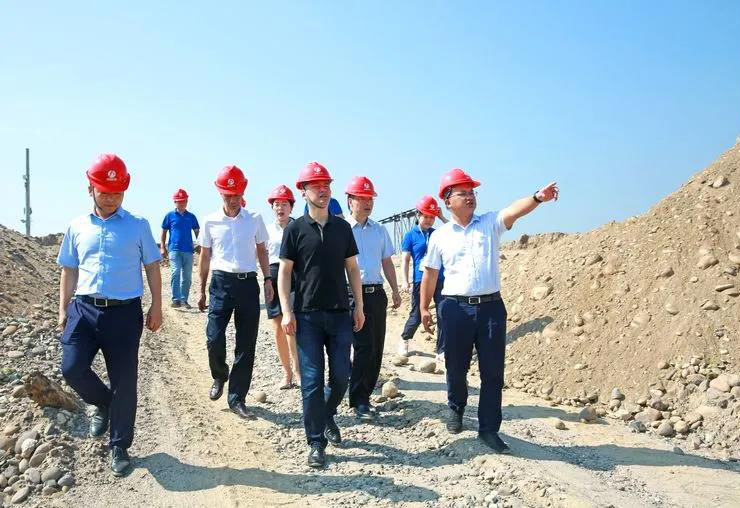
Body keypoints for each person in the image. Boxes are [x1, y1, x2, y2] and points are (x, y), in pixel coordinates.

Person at [420, 168, 559, 453]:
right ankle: (456, 406)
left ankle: (488, 429)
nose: (470, 197)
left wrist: (537, 197)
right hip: (455, 309)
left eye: (472, 192)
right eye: (463, 193)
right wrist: (424, 307)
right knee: (455, 366)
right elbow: (431, 273)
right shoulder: (440, 236)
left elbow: (515, 210)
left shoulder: (489, 223)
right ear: (447, 200)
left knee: (493, 372)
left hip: (491, 308)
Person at [57, 153, 162, 476]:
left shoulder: (138, 226)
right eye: (105, 192)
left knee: (124, 381)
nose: (111, 198)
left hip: (124, 314)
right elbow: (69, 269)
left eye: (117, 192)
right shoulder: (77, 226)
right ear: (90, 188)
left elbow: (152, 266)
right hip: (84, 309)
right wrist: (63, 308)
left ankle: (119, 446)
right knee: (71, 367)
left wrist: (157, 305)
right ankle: (102, 401)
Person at [278, 162, 365, 468]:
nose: (322, 190)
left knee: (341, 376)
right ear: (303, 192)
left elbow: (352, 268)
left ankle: (326, 414)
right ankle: (315, 442)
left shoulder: (343, 228)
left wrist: (359, 306)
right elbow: (284, 272)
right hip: (307, 317)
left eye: (326, 185)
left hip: (340, 314)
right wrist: (286, 311)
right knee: (312, 382)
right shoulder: (294, 230)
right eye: (315, 186)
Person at [198, 165, 274, 420]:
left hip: (247, 284)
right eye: (228, 195)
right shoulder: (209, 221)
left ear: (243, 192)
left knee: (246, 343)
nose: (232, 200)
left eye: (237, 195)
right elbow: (204, 257)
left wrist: (268, 279)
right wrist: (201, 290)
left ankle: (237, 398)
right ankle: (220, 374)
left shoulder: (254, 218)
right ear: (220, 193)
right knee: (214, 336)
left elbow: (262, 250)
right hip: (220, 283)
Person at [345, 176, 401, 421]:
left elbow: (386, 261)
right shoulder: (341, 229)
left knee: (376, 348)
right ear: (350, 201)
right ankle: (356, 398)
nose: (368, 203)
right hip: (349, 294)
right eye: (362, 198)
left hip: (376, 294)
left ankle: (363, 396)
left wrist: (395, 289)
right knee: (362, 346)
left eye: (370, 199)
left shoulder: (379, 230)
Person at [399, 196, 446, 359]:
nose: (429, 220)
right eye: (426, 216)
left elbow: (456, 231)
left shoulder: (437, 234)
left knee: (443, 313)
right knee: (418, 315)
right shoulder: (410, 235)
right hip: (420, 280)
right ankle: (404, 339)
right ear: (417, 215)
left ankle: (441, 350)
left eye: (432, 217)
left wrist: (442, 217)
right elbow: (405, 260)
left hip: (440, 279)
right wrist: (405, 281)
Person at [265, 184, 300, 389]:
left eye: (284, 204)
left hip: (295, 276)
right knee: (278, 327)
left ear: (291, 207)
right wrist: (265, 280)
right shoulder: (267, 230)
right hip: (273, 274)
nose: (280, 208)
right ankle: (286, 373)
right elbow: (261, 256)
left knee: (293, 326)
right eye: (276, 204)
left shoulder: (299, 227)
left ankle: (298, 371)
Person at [160, 188, 200, 309]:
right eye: (179, 201)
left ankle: (184, 300)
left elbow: (197, 232)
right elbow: (163, 232)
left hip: (188, 250)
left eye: (184, 201)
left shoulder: (191, 217)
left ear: (187, 201)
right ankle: (176, 299)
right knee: (175, 272)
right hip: (174, 250)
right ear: (175, 202)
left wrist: (201, 245)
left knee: (187, 276)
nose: (182, 203)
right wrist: (162, 247)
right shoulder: (169, 216)